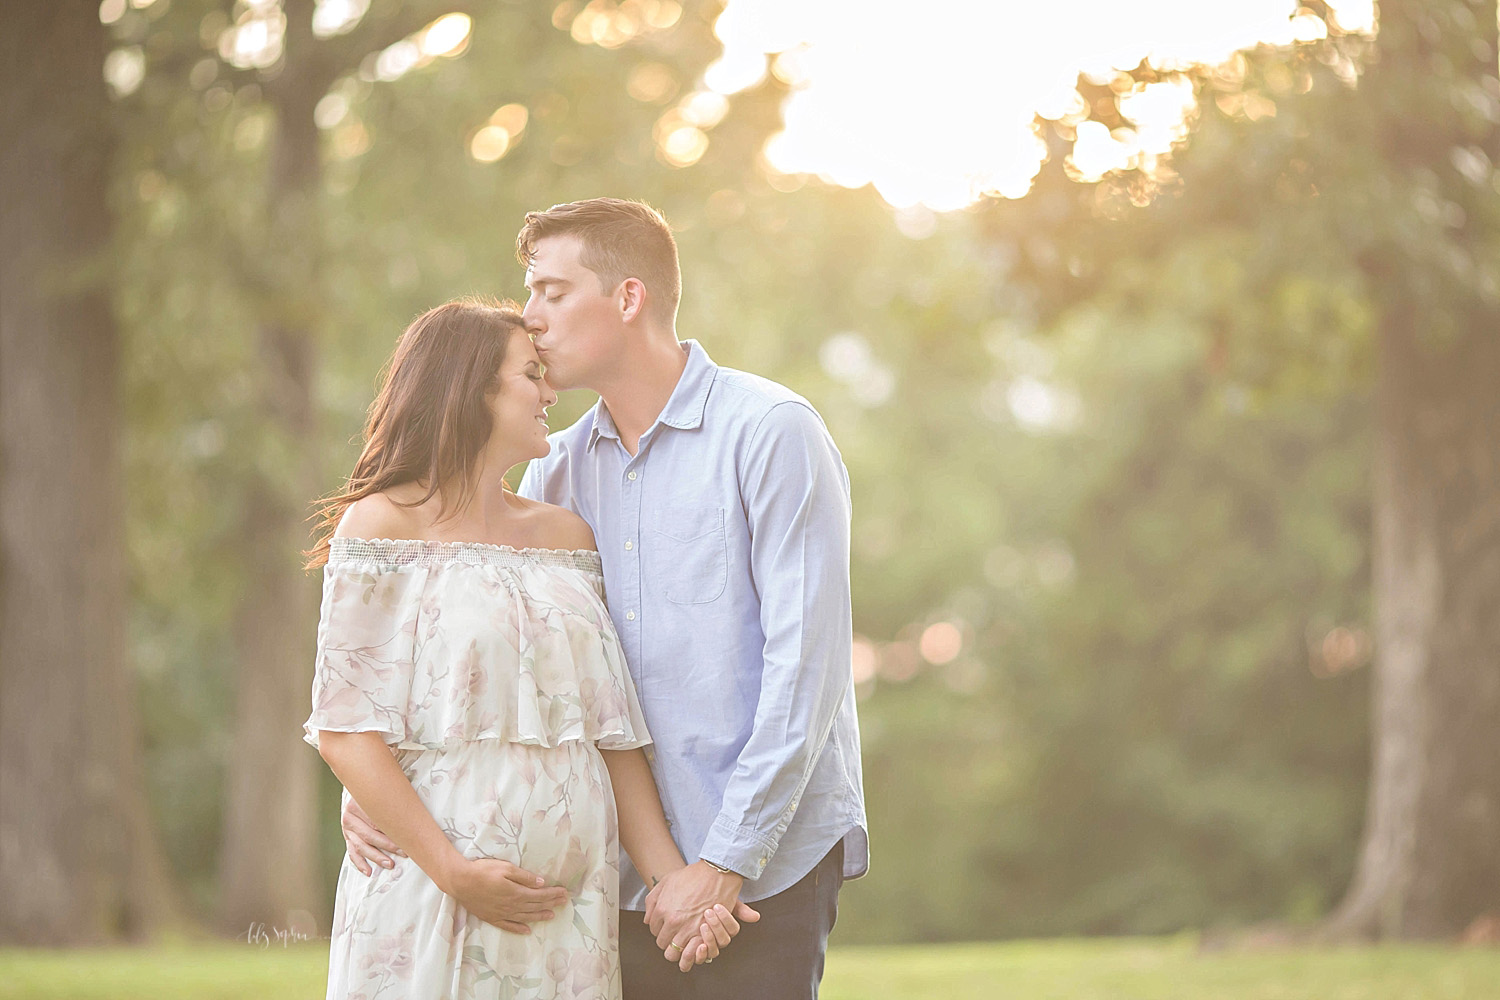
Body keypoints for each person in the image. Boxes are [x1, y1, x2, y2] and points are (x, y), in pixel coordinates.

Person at [343, 200, 869, 999]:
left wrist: (725, 863)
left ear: (627, 298)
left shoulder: (769, 433)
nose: (531, 315)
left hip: (761, 872)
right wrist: (378, 791)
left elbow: (808, 674)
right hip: (605, 877)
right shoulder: (552, 473)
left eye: (552, 291)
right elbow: (488, 661)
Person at [302, 297, 743, 1000]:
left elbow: (610, 737)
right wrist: (451, 871)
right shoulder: (383, 523)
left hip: (570, 911)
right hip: (432, 886)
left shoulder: (567, 536)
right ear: (466, 389)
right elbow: (345, 730)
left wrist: (674, 888)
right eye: (529, 375)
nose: (550, 391)